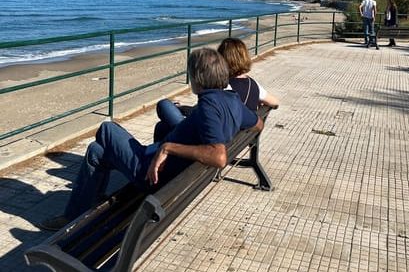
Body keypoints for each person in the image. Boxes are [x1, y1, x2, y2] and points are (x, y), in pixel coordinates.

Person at [41, 48, 262, 231]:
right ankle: (78, 212)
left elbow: (219, 156)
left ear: (198, 77)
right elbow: (258, 123)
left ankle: (77, 212)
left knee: (107, 129)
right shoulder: (231, 99)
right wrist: (230, 127)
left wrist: (167, 147)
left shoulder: (209, 106)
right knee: (96, 151)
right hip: (168, 171)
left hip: (148, 173)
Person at [154, 38, 278, 142]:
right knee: (162, 126)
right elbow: (275, 103)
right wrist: (258, 103)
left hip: (220, 136)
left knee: (165, 106)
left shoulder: (224, 88)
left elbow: (205, 112)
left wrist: (181, 109)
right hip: (238, 139)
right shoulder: (253, 84)